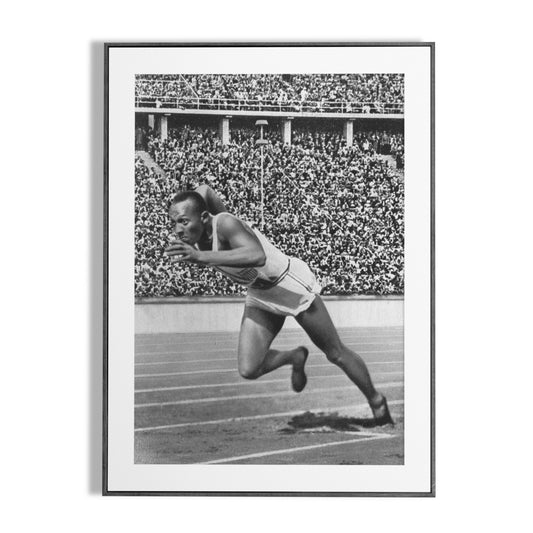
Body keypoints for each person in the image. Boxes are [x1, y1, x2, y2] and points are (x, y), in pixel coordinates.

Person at [164, 184, 394, 425]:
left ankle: (376, 400)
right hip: (260, 294)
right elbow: (204, 191)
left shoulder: (225, 225)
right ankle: (293, 357)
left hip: (288, 285)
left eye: (183, 221)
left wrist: (202, 256)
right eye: (174, 223)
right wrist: (195, 210)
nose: (178, 230)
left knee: (335, 353)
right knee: (248, 368)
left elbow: (257, 255)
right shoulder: (199, 231)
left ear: (202, 216)